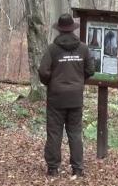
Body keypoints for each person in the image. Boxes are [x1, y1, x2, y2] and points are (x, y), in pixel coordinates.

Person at [39, 13, 95, 178]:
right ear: (72, 28)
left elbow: (43, 71)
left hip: (56, 97)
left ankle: (53, 168)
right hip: (75, 97)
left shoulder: (52, 49)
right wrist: (79, 81)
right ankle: (77, 168)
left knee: (54, 132)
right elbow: (91, 70)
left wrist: (50, 82)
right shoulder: (83, 48)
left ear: (60, 30)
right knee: (75, 133)